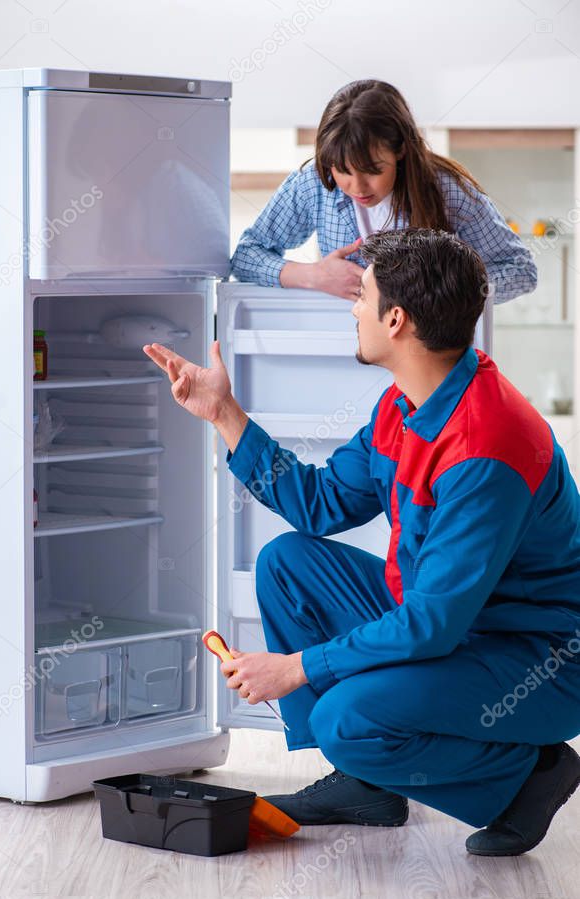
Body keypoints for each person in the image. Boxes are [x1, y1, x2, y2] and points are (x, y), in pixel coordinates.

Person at [143, 228, 580, 857]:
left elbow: (430, 625)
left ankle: (527, 779)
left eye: (362, 296)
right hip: (457, 626)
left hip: (532, 660)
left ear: (396, 319)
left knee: (346, 717)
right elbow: (319, 506)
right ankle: (366, 785)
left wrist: (295, 668)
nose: (353, 308)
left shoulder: (487, 448)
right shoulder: (403, 406)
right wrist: (225, 415)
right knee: (288, 563)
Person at [231, 79, 537, 305]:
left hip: (430, 364)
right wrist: (314, 276)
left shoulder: (448, 192)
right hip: (343, 352)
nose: (357, 187)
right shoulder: (314, 184)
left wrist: (445, 292)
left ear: (401, 150)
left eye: (373, 170)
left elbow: (520, 270)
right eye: (343, 171)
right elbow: (246, 256)